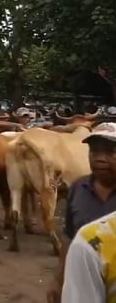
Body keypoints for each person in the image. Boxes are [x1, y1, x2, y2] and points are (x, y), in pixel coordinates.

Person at [45, 122, 116, 302]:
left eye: (110, 152)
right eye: (95, 152)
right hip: (83, 282)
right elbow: (69, 237)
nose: (100, 158)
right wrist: (58, 279)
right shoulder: (78, 188)